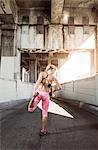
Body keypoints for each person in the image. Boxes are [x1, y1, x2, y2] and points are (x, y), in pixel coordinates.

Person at [28, 64, 61, 135]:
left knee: (31, 110)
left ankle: (43, 130)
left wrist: (34, 92)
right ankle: (43, 130)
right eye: (52, 71)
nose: (52, 73)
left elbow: (37, 83)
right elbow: (59, 87)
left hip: (39, 93)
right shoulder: (53, 77)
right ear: (50, 70)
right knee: (44, 113)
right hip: (46, 95)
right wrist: (52, 90)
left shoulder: (42, 74)